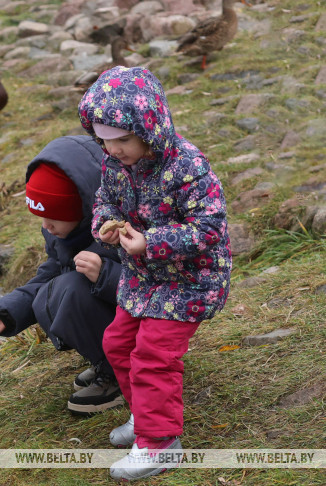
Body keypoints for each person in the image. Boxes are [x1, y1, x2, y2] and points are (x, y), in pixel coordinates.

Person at [78, 66, 231, 481]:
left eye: (123, 140)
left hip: (190, 280)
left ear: (150, 127)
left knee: (153, 356)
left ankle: (160, 443)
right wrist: (106, 226)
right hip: (143, 279)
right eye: (103, 141)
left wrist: (152, 242)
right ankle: (144, 416)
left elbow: (210, 227)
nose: (113, 151)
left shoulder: (187, 165)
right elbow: (104, 203)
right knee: (118, 342)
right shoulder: (115, 165)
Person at [0, 135, 123, 416]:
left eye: (54, 217)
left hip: (148, 328)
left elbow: (155, 288)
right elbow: (48, 275)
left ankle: (121, 375)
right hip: (115, 320)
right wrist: (6, 313)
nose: (46, 227)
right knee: (53, 289)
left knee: (71, 289)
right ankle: (107, 362)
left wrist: (105, 274)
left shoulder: (117, 228)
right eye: (41, 218)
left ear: (81, 208)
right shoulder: (64, 230)